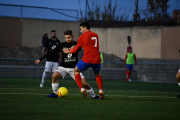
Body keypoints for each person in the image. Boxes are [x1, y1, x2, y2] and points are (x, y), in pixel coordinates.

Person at [35, 29, 100, 99]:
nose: (67, 39)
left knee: (84, 84)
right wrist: (40, 59)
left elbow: (81, 47)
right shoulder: (62, 45)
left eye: (69, 37)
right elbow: (51, 52)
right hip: (63, 67)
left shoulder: (76, 44)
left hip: (74, 69)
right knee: (54, 75)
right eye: (66, 38)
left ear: (72, 36)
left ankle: (94, 95)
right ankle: (55, 93)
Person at [63, 22, 105, 99]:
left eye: (81, 29)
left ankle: (81, 89)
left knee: (76, 71)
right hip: (97, 59)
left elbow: (75, 50)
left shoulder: (82, 37)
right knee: (98, 74)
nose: (81, 31)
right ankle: (100, 90)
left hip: (87, 59)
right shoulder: (95, 35)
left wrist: (68, 51)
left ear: (85, 28)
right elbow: (89, 45)